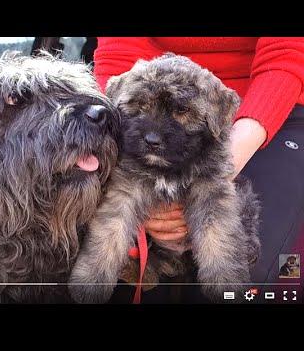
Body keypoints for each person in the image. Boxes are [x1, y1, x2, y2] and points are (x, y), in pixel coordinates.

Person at [93, 37, 304, 302]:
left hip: (269, 109)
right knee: (114, 275)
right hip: (148, 97)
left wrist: (208, 186)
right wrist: (134, 198)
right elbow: (119, 55)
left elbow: (287, 54)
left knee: (245, 271)